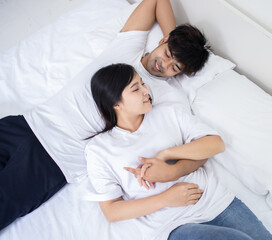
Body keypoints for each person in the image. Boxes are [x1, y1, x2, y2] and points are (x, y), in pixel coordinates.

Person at [0, 0, 210, 230]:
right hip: (27, 123)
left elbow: (202, 146)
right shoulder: (129, 47)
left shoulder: (164, 97)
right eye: (168, 53)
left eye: (176, 67)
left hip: (53, 158)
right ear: (162, 40)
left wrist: (172, 168)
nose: (164, 64)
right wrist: (175, 39)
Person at [85, 63, 272, 240]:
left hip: (216, 202)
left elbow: (215, 144)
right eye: (136, 89)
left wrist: (167, 157)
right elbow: (112, 211)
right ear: (115, 104)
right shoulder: (99, 150)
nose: (146, 91)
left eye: (143, 83)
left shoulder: (170, 113)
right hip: (172, 225)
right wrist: (166, 198)